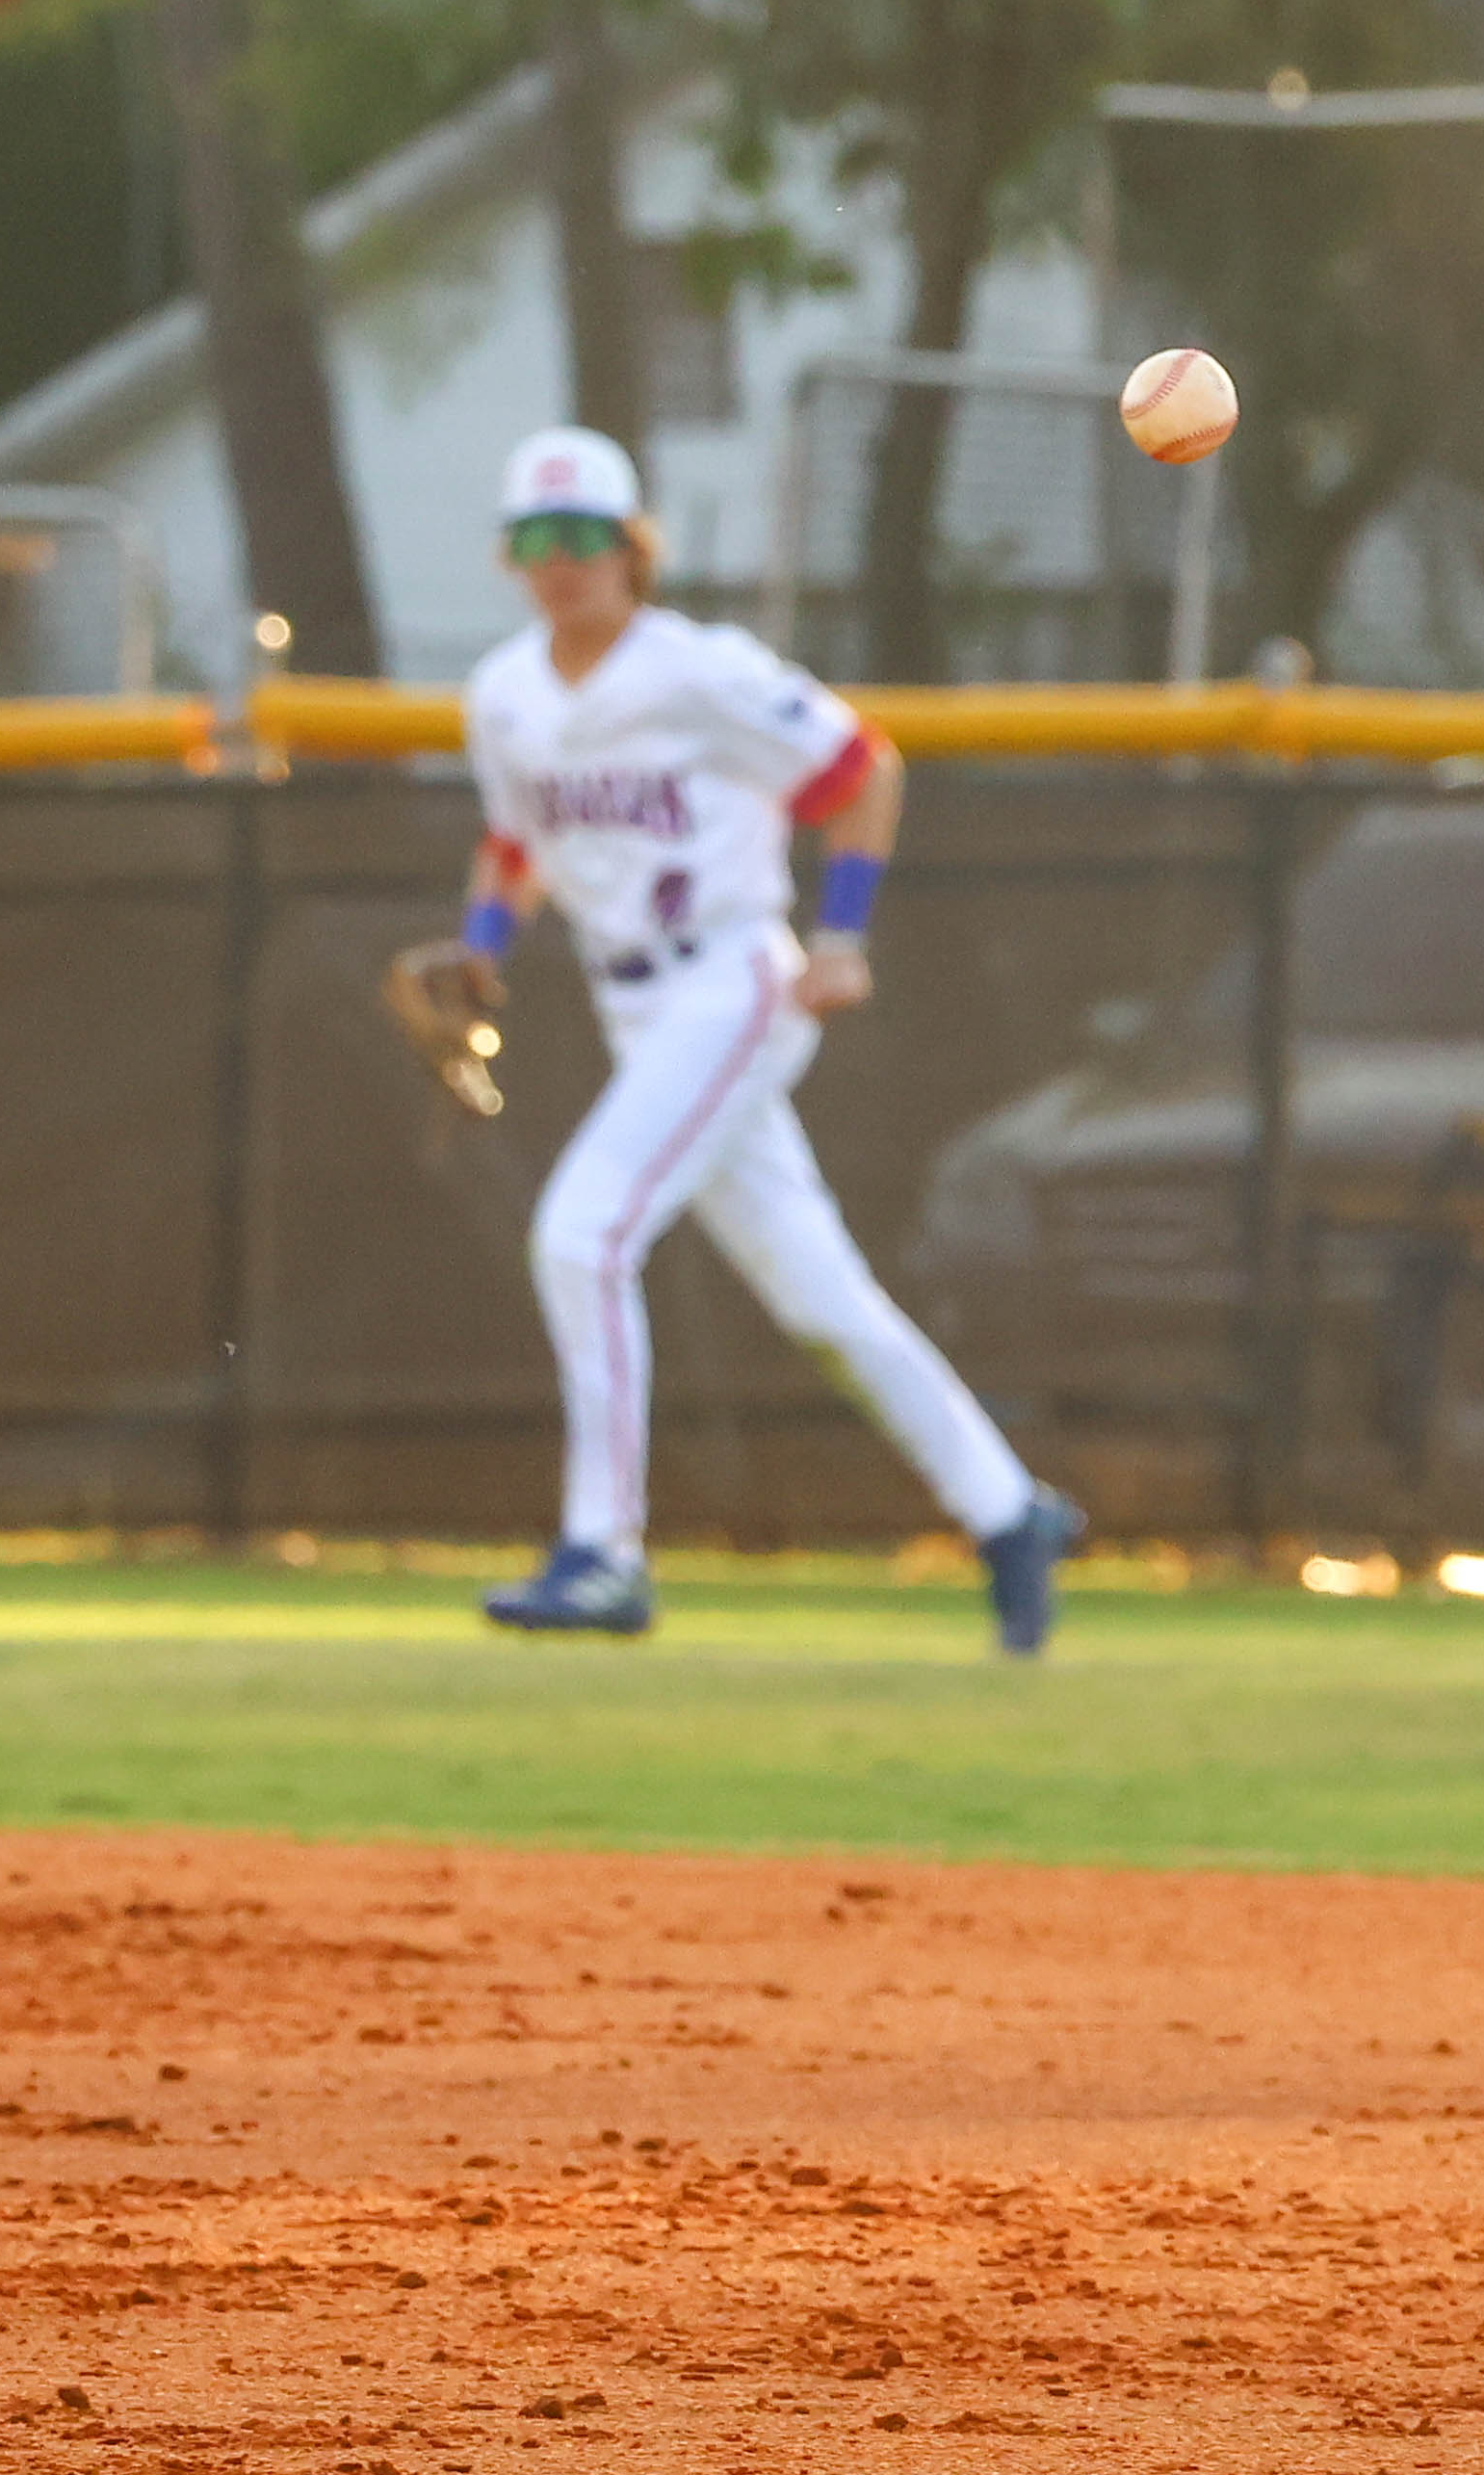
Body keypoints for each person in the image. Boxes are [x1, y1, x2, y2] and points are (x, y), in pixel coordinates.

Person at [417, 427, 1080, 1651]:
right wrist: (483, 947)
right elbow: (512, 842)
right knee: (823, 1300)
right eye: (533, 541)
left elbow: (861, 768)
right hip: (632, 1006)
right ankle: (1008, 1510)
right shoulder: (503, 693)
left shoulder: (701, 671)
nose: (557, 564)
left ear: (631, 550)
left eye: (581, 539)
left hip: (731, 983)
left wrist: (840, 933)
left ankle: (602, 1550)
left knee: (580, 1232)